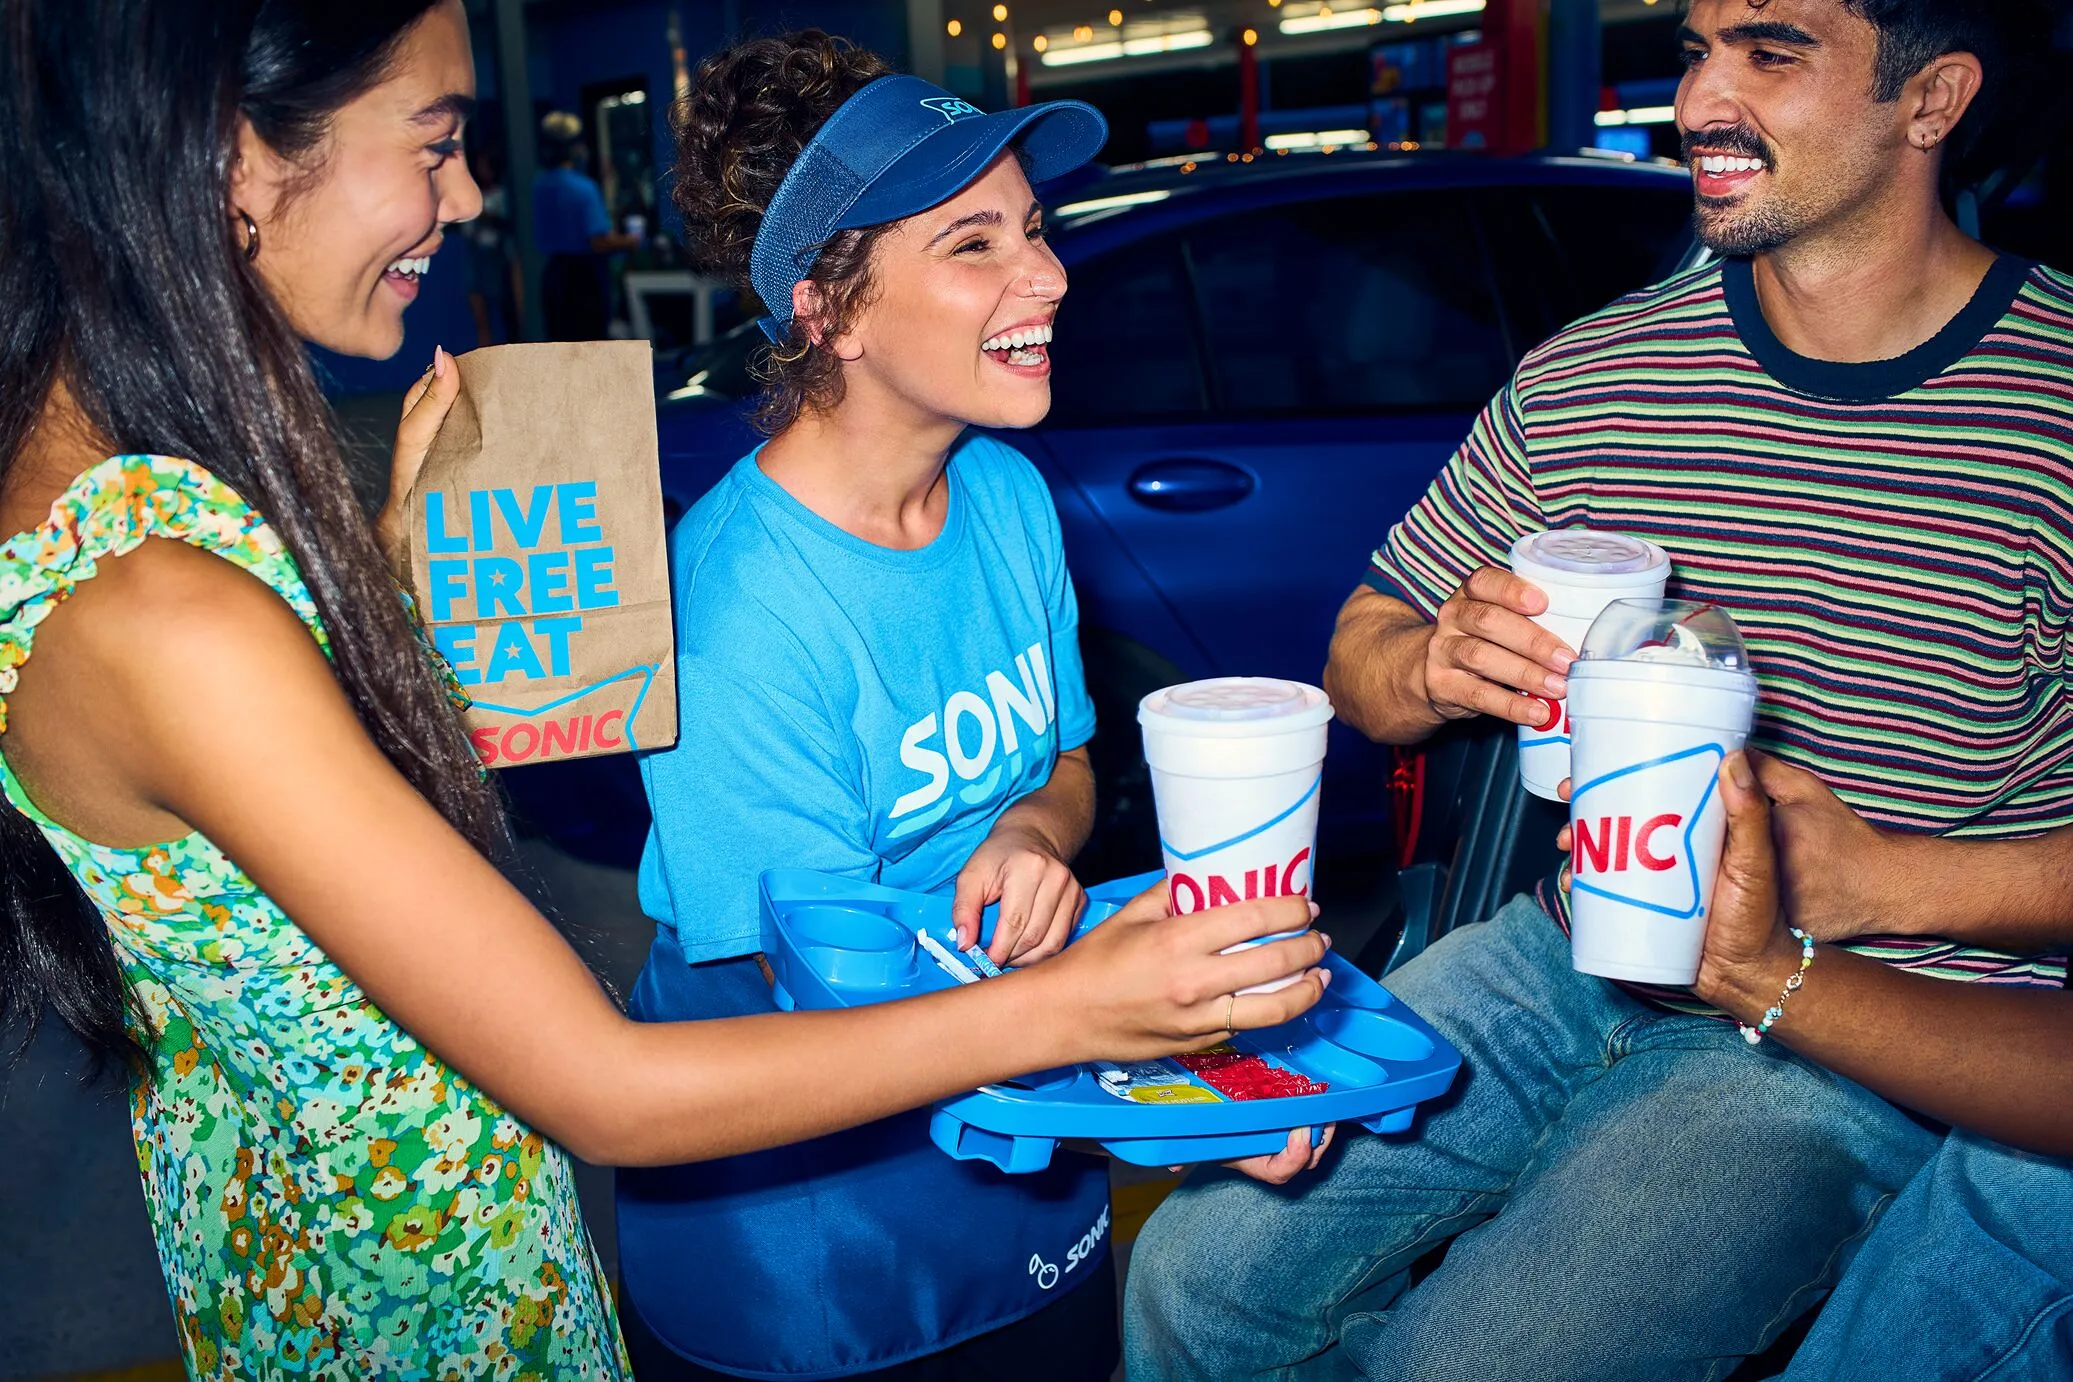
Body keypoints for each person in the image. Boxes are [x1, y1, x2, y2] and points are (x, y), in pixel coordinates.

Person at [0, 3, 1330, 1377]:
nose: (473, 194)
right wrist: (1104, 1033)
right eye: (440, 137)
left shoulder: (170, 525)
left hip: (419, 1240)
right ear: (235, 151)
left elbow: (322, 853)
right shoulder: (163, 606)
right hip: (409, 1300)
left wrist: (387, 605)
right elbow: (609, 1084)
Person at [1125, 1, 2073, 1378]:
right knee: (1192, 1275)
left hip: (1855, 1021)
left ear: (1930, 102)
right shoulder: (1594, 374)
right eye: (1693, 50)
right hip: (1556, 955)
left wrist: (1885, 884)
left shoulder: (2049, 406)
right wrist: (1434, 659)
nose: (1698, 100)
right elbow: (1363, 654)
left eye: (1770, 51)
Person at [617, 34, 1335, 1382]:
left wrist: (1030, 835)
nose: (1049, 276)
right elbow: (830, 1006)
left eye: (1037, 230)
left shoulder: (1006, 496)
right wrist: (1150, 1075)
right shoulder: (736, 605)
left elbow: (1066, 762)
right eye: (973, 243)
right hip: (816, 1254)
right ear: (827, 308)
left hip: (1024, 1184)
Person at [533, 111, 639, 341]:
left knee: (559, 346)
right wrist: (629, 241)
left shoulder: (538, 184)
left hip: (553, 278)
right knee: (590, 347)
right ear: (572, 147)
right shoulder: (583, 188)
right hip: (583, 281)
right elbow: (598, 242)